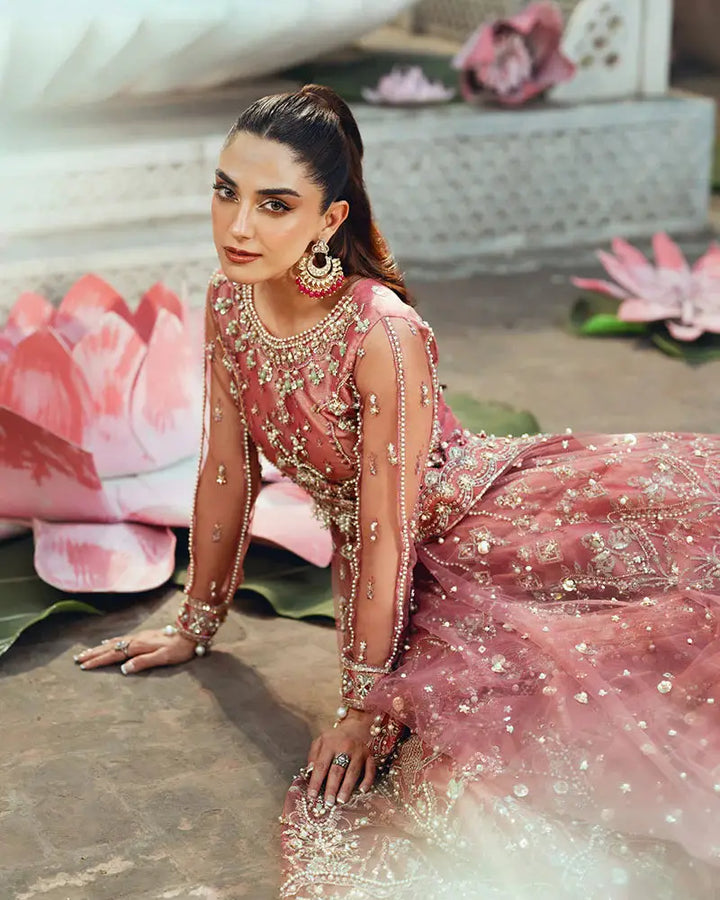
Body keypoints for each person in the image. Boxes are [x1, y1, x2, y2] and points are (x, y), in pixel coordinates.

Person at [74, 85, 720, 898]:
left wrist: (363, 706)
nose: (238, 226)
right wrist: (194, 624)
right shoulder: (229, 300)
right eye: (226, 191)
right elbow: (226, 470)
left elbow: (387, 530)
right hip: (385, 561)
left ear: (329, 220)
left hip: (464, 531)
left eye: (275, 204)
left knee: (588, 686)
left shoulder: (381, 332)